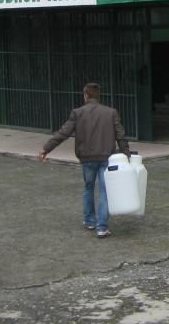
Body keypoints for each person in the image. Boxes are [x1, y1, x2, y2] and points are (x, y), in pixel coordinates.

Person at [38, 83, 129, 238]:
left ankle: (89, 221)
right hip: (107, 158)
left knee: (88, 188)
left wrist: (46, 148)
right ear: (98, 96)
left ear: (85, 95)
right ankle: (102, 228)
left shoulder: (77, 113)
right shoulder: (111, 112)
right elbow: (120, 135)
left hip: (86, 159)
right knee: (105, 193)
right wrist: (126, 155)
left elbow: (63, 133)